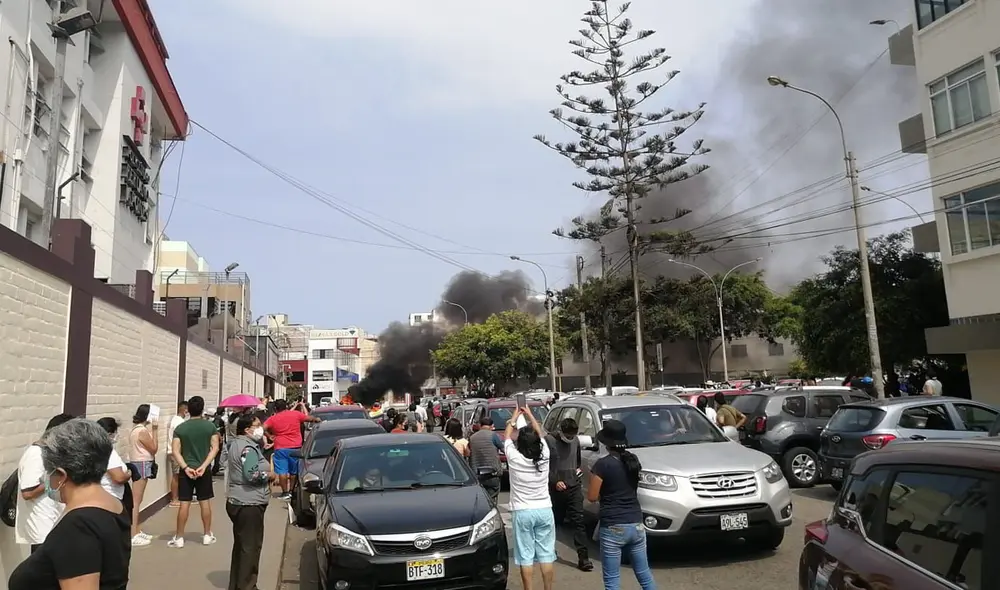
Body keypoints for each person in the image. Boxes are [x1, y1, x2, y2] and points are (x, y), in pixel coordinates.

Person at [7, 418, 131, 590]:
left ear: (61, 474)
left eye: (48, 473)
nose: (46, 479)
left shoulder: (79, 526)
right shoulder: (112, 505)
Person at [587, 419, 656, 590]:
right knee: (644, 574)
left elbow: (592, 497)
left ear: (606, 442)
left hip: (613, 526)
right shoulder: (633, 461)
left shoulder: (603, 464)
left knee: (612, 581)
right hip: (636, 523)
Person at [503, 407, 555, 590]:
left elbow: (507, 436)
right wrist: (531, 415)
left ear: (521, 444)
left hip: (523, 511)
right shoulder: (545, 456)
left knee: (525, 556)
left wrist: (515, 417)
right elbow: (540, 433)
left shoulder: (514, 458)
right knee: (547, 555)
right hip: (544, 509)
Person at [226, 414, 276, 590]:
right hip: (248, 503)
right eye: (257, 425)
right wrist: (269, 475)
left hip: (238, 500)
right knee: (251, 548)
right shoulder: (247, 448)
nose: (260, 427)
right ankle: (247, 585)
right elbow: (252, 475)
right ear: (247, 429)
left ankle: (238, 583)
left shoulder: (236, 444)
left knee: (241, 546)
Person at [14, 413, 74, 554]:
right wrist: (55, 479)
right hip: (41, 527)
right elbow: (28, 493)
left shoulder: (51, 453)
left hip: (54, 522)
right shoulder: (36, 454)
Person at [169, 395, 221, 548]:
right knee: (204, 502)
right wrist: (204, 465)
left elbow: (175, 450)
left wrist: (185, 467)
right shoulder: (210, 427)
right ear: (202, 409)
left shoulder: (180, 428)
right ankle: (206, 534)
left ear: (188, 410)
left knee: (184, 503)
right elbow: (215, 448)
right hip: (203, 470)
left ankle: (179, 537)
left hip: (187, 471)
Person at [544, 417, 592, 571]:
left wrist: (577, 472)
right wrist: (555, 481)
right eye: (568, 436)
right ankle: (546, 551)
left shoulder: (576, 441)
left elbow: (577, 462)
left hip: (573, 487)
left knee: (578, 521)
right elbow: (543, 465)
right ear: (561, 431)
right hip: (555, 489)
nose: (570, 439)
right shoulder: (549, 441)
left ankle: (583, 558)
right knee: (552, 522)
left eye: (573, 436)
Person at [263, 399, 320, 500]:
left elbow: (263, 428)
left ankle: (285, 492)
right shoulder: (295, 414)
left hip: (280, 447)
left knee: (282, 471)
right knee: (294, 471)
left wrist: (269, 435)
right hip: (295, 446)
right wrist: (317, 419)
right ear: (286, 406)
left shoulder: (273, 419)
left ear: (276, 408)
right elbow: (309, 418)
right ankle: (292, 490)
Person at [126, 404, 158, 547]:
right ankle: (133, 533)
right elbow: (154, 448)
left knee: (137, 499)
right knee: (136, 501)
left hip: (137, 463)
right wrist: (156, 430)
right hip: (142, 463)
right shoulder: (143, 431)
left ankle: (136, 530)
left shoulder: (135, 429)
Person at [96, 418, 131, 507]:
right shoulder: (108, 452)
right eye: (116, 432)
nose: (117, 435)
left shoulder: (95, 449)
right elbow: (119, 478)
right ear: (109, 434)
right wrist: (129, 474)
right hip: (111, 496)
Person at [468, 417, 503, 503]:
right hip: (492, 472)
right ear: (492, 426)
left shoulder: (472, 437)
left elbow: (468, 452)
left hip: (477, 472)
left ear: (480, 425)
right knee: (492, 497)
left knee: (480, 498)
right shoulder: (493, 435)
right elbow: (503, 449)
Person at [168, 401, 189, 507]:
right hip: (176, 452)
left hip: (174, 451)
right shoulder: (180, 422)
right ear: (184, 409)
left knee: (178, 475)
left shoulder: (174, 419)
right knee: (176, 475)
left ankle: (177, 496)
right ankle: (174, 499)